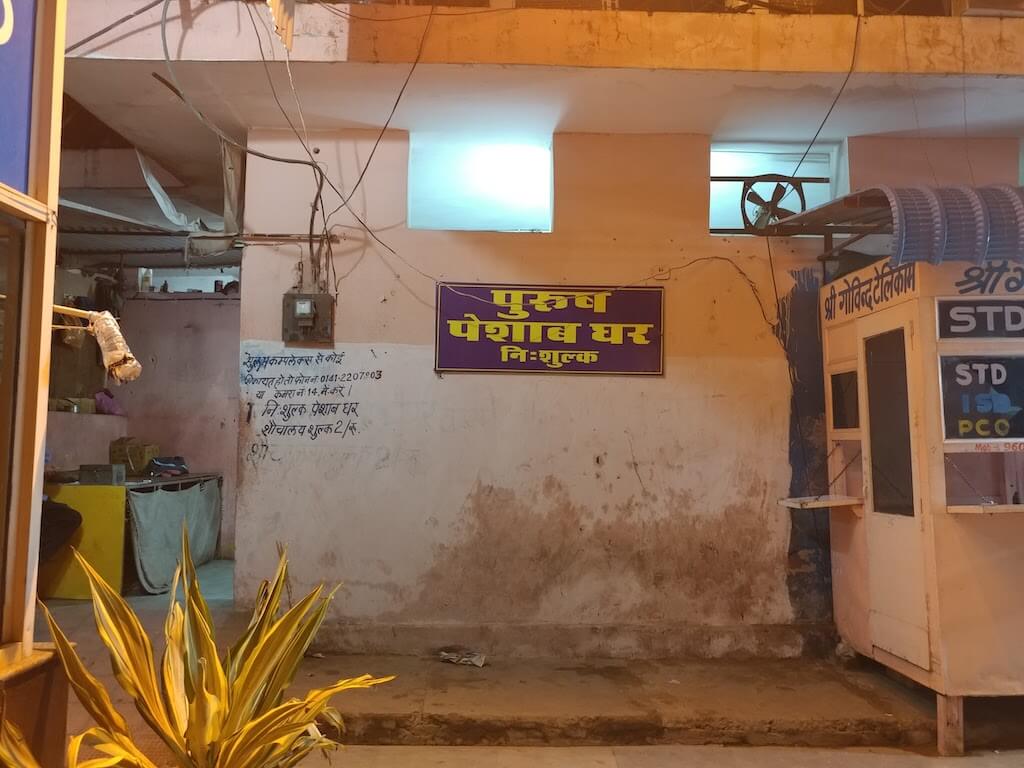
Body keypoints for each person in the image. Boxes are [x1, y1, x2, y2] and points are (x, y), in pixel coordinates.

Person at [39, 447, 81, 563]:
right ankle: (35, 559)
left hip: (37, 499)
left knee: (67, 514)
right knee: (70, 517)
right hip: (28, 502)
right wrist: (41, 470)